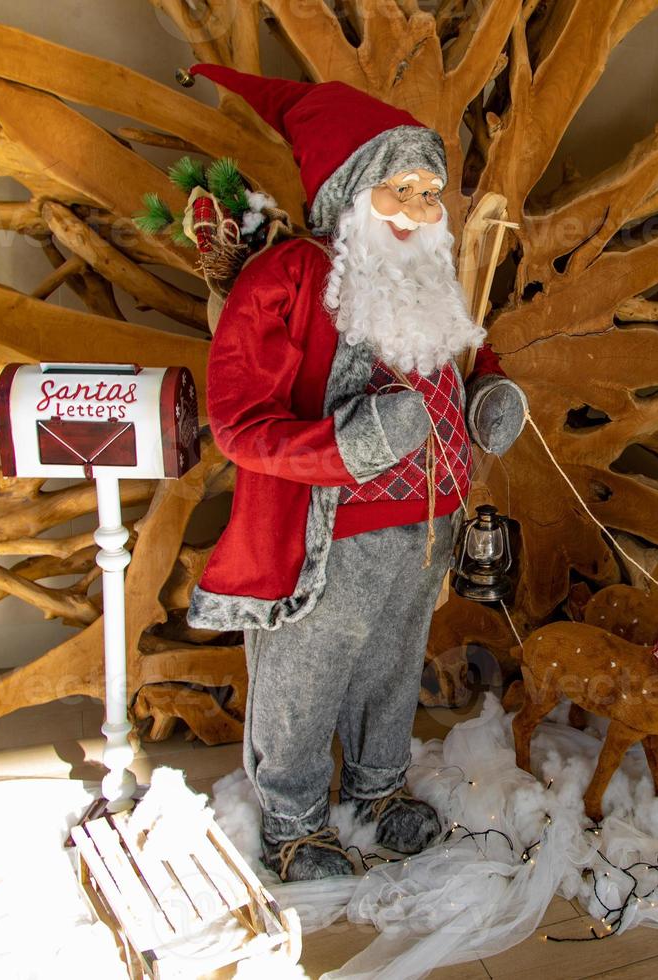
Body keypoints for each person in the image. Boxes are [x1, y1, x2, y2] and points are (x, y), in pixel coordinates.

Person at [185, 64, 527, 882]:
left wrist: (488, 401)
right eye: (398, 187)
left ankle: (378, 791)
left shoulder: (429, 279)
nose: (417, 208)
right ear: (349, 188)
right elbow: (237, 423)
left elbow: (455, 368)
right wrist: (349, 447)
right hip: (327, 537)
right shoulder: (291, 277)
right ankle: (295, 822)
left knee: (392, 666)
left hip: (428, 531)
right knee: (304, 678)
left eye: (428, 192)